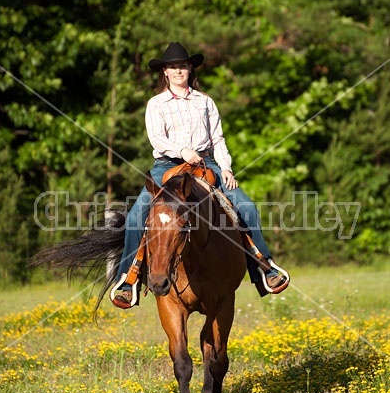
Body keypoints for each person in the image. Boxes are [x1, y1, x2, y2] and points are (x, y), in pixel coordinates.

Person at [112, 42, 288, 309]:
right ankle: (128, 279)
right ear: (165, 73)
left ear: (189, 68)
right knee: (137, 215)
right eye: (173, 67)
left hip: (206, 164)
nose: (178, 70)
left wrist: (226, 167)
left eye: (182, 65)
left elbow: (218, 138)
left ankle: (265, 268)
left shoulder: (205, 102)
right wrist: (182, 150)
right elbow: (158, 139)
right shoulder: (156, 104)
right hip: (167, 165)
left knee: (247, 208)